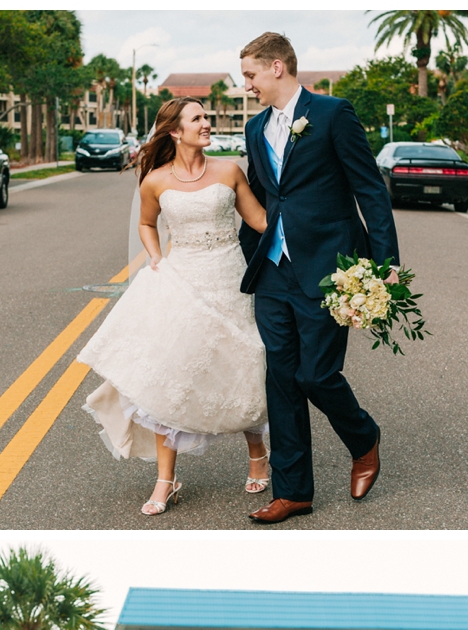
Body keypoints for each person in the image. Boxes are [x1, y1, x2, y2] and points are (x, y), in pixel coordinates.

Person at [77, 97, 270, 516]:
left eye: (206, 117)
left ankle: (258, 454)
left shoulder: (228, 170)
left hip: (229, 279)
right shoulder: (156, 181)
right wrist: (154, 256)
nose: (206, 123)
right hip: (180, 281)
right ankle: (166, 479)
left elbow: (261, 222)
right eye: (197, 118)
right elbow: (148, 223)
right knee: (172, 372)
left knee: (245, 359)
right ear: (174, 132)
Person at [238, 33, 401, 523]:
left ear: (277, 68)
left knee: (316, 374)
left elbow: (369, 189)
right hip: (273, 271)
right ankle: (294, 493)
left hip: (327, 269)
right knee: (282, 380)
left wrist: (384, 262)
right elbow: (262, 195)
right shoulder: (254, 128)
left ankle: (363, 436)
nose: (246, 85)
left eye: (250, 75)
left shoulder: (333, 114)